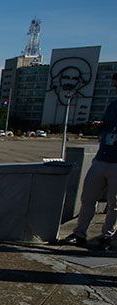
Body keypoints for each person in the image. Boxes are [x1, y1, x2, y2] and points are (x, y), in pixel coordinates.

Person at [61, 72, 117, 251]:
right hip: (102, 158)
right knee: (88, 198)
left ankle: (107, 236)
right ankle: (79, 233)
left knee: (114, 203)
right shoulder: (112, 106)